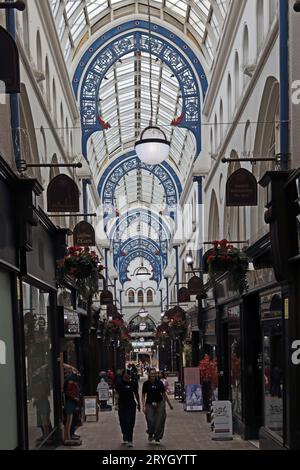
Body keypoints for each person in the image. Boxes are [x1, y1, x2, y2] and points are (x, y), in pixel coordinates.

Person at [142, 368, 173, 445]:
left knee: (159, 421)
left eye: (154, 373)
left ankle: (157, 437)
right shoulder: (146, 384)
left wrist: (169, 404)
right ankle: (150, 432)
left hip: (159, 402)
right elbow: (143, 395)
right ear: (149, 374)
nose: (153, 375)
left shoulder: (159, 383)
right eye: (151, 374)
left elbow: (163, 394)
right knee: (150, 419)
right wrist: (143, 406)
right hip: (149, 403)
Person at [115, 370, 140, 448]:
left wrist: (139, 404)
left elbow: (136, 393)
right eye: (125, 376)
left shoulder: (133, 383)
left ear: (130, 376)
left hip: (131, 405)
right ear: (123, 376)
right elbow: (117, 394)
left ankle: (130, 439)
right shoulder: (119, 383)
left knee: (130, 422)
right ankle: (124, 433)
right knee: (123, 421)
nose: (126, 378)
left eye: (128, 376)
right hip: (122, 405)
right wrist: (116, 404)